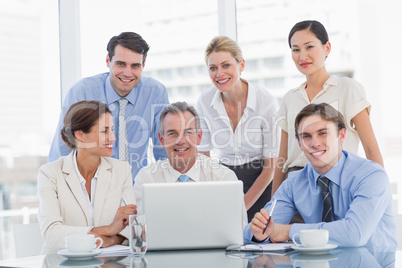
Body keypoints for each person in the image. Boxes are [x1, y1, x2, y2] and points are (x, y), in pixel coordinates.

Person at [244, 103, 396, 248]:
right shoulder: (294, 183)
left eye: (322, 133)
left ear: (342, 135)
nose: (315, 143)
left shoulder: (371, 176)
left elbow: (354, 234)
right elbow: (253, 231)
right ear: (300, 144)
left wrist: (287, 231)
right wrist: (259, 234)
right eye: (306, 136)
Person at [271, 20, 383, 196]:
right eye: (296, 49)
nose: (302, 56)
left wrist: (379, 198)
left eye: (309, 47)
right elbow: (283, 157)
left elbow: (371, 149)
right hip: (294, 185)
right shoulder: (289, 98)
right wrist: (274, 203)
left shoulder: (347, 88)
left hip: (335, 182)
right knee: (279, 225)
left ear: (327, 48)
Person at [48, 32, 169, 180]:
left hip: (135, 188)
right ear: (108, 61)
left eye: (135, 66)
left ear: (143, 66)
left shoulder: (156, 93)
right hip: (91, 189)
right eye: (121, 64)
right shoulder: (82, 92)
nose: (127, 73)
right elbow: (62, 152)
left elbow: (164, 149)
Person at [196, 36, 279, 221]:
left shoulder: (266, 102)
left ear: (241, 65)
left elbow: (270, 168)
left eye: (226, 65)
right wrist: (213, 198)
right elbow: (204, 159)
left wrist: (239, 207)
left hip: (261, 181)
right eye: (213, 68)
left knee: (256, 238)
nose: (219, 73)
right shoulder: (204, 101)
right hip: (224, 180)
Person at [38, 101, 137, 254]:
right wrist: (109, 229)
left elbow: (132, 227)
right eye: (104, 131)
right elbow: (52, 233)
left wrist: (109, 240)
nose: (113, 138)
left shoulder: (121, 170)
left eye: (112, 130)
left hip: (108, 263)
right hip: (61, 263)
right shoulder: (50, 173)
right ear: (80, 134)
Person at [133, 102, 247, 227]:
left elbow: (238, 229)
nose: (180, 141)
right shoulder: (146, 179)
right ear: (161, 140)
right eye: (172, 134)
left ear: (199, 137)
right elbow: (138, 232)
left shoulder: (224, 178)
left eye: (188, 133)